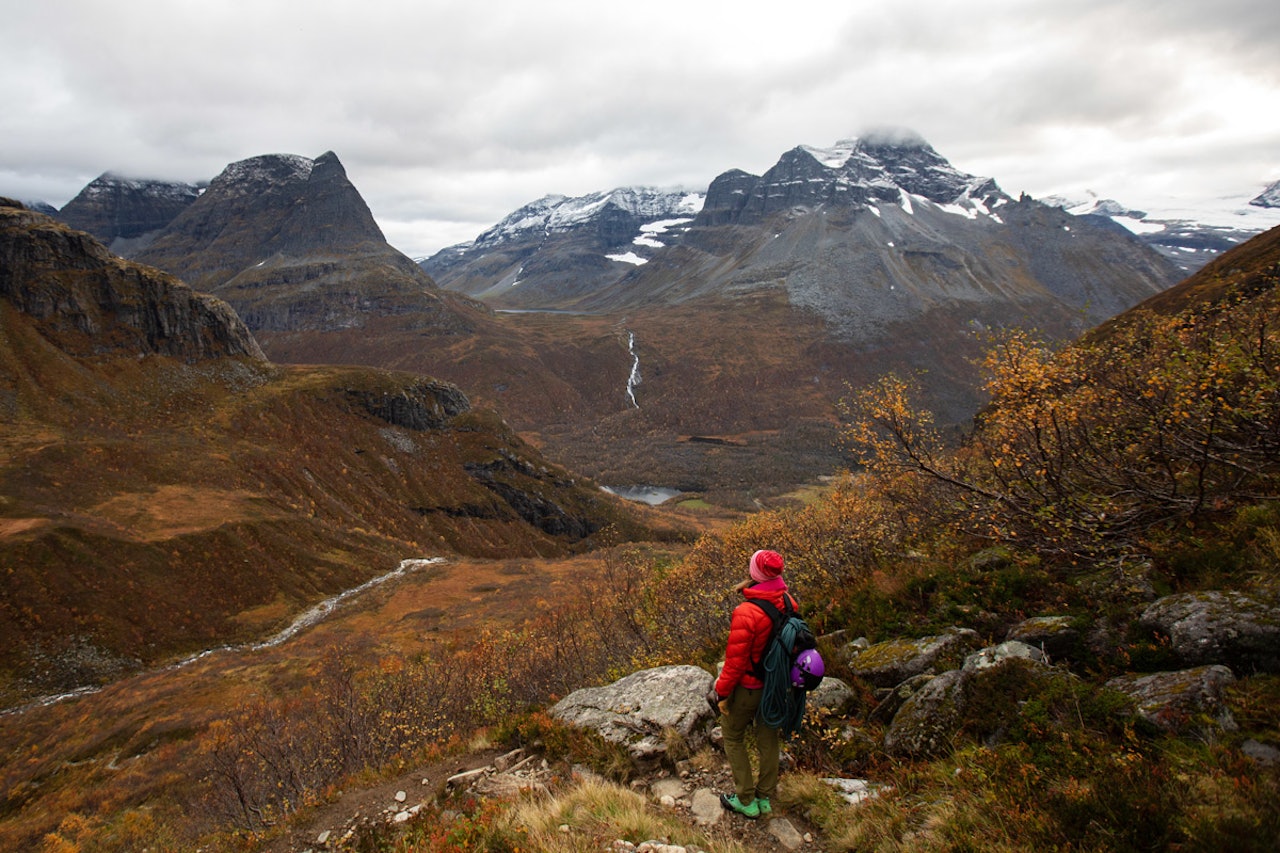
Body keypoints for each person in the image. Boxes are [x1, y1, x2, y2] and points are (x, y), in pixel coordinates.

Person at [708, 548, 797, 819]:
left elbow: (735, 663)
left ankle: (745, 800)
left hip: (749, 688)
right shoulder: (788, 602)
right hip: (776, 687)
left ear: (755, 573)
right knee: (768, 738)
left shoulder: (746, 612)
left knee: (733, 737)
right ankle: (764, 797)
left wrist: (721, 692)